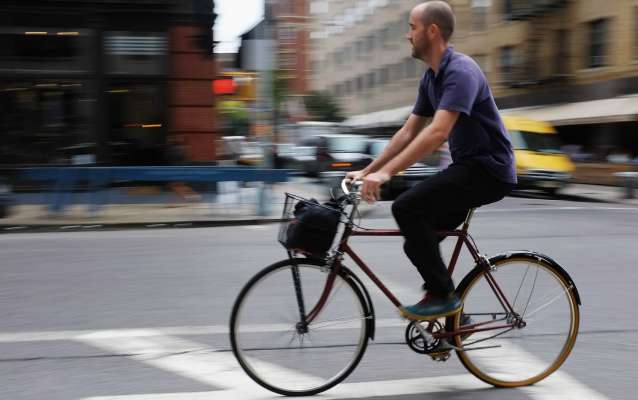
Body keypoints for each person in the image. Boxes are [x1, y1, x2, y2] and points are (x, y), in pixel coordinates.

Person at [345, 1, 516, 321]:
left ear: (432, 30)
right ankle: (454, 320)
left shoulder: (461, 71)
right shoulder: (432, 78)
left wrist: (386, 175)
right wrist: (368, 170)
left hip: (488, 169)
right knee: (417, 242)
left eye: (412, 27)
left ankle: (443, 298)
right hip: (468, 168)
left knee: (406, 207)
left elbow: (437, 132)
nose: (407, 35)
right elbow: (408, 132)